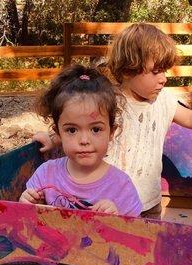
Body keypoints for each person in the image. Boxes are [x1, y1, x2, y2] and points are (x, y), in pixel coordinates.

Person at [35, 23, 192, 219]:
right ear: (128, 70)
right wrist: (52, 140)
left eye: (164, 71)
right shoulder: (110, 102)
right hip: (111, 201)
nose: (163, 78)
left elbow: (190, 117)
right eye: (156, 72)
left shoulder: (163, 100)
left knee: (147, 249)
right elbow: (79, 125)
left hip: (150, 200)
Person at [19, 64, 142, 217]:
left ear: (112, 132)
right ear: (58, 133)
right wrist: (26, 203)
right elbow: (26, 222)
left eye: (96, 129)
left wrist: (116, 219)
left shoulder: (121, 186)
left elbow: (136, 234)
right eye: (71, 130)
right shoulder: (46, 174)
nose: (84, 140)